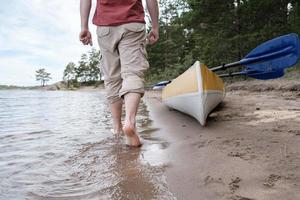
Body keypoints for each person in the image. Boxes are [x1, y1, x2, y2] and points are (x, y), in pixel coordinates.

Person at [79, 0, 159, 147]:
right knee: (132, 73)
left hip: (105, 26)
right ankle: (130, 122)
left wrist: (84, 27)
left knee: (112, 78)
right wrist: (155, 27)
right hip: (133, 23)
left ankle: (116, 128)